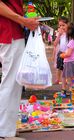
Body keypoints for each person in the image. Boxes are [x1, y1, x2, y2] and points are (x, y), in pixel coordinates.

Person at [0, 0, 39, 139]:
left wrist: (24, 19)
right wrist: (22, 20)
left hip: (9, 30)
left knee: (11, 81)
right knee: (10, 82)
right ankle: (4, 131)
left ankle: (6, 128)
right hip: (8, 31)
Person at [60, 22, 74, 90]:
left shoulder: (72, 42)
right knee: (69, 76)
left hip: (70, 62)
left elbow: (68, 54)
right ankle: (70, 88)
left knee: (71, 77)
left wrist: (62, 55)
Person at [53, 17, 69, 95]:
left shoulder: (69, 33)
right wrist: (59, 35)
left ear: (67, 25)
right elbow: (55, 44)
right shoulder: (60, 34)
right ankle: (62, 86)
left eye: (63, 25)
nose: (61, 27)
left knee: (66, 71)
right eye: (60, 26)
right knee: (60, 69)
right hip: (61, 53)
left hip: (67, 55)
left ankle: (70, 86)